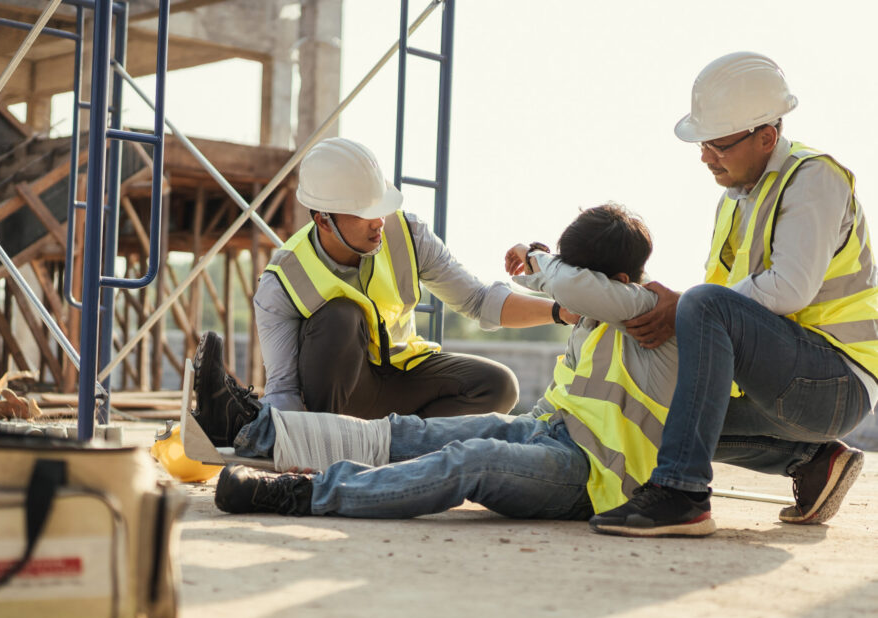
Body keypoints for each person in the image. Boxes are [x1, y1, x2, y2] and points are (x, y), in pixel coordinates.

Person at [193, 205, 700, 529]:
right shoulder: (600, 308)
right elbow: (555, 292)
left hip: (595, 477)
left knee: (469, 460)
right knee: (409, 434)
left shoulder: (646, 311)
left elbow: (567, 287)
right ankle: (248, 428)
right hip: (550, 430)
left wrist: (538, 258)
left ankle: (302, 494)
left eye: (574, 272)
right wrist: (546, 259)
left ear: (612, 279)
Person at [590, 52, 877, 537]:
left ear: (767, 136)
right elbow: (725, 309)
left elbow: (787, 288)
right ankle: (811, 461)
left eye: (718, 145)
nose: (706, 156)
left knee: (701, 301)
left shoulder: (814, 179)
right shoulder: (737, 199)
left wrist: (684, 304)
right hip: (785, 386)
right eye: (703, 144)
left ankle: (683, 495)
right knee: (659, 414)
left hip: (835, 384)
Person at [252, 137, 576, 421]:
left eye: (380, 206)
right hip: (341, 400)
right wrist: (296, 446)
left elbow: (478, 300)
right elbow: (283, 390)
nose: (379, 221)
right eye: (366, 212)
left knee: (498, 386)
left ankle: (400, 448)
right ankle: (331, 448)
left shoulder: (407, 234)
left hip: (403, 379)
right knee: (340, 317)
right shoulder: (282, 282)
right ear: (324, 221)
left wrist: (559, 311)